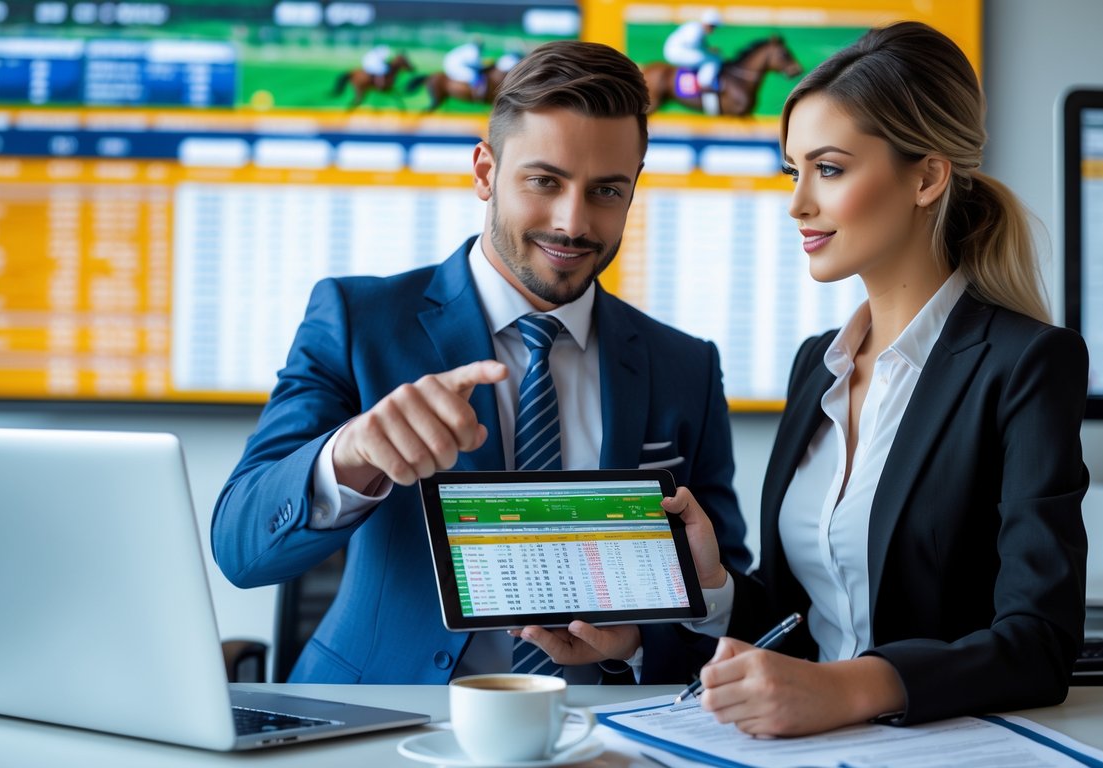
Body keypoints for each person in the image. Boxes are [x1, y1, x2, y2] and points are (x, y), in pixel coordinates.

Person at [212, 40, 751, 685]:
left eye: (606, 190)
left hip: (598, 731)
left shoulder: (684, 366)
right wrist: (352, 452)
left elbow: (725, 590)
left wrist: (636, 639)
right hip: (385, 721)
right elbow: (240, 549)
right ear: (485, 172)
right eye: (543, 181)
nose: (572, 223)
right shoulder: (359, 320)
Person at [664, 21, 1090, 735]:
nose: (797, 203)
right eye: (790, 172)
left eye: (827, 170)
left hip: (944, 747)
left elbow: (1039, 644)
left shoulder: (1023, 364)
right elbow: (807, 620)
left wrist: (848, 691)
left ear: (925, 176)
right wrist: (715, 587)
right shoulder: (817, 363)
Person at [663, 9, 723, 114]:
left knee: (711, 57)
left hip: (676, 51)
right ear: (709, 23)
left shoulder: (698, 28)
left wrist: (708, 50)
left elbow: (700, 47)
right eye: (713, 26)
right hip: (676, 53)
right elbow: (694, 46)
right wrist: (709, 51)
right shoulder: (696, 29)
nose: (713, 30)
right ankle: (704, 83)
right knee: (713, 60)